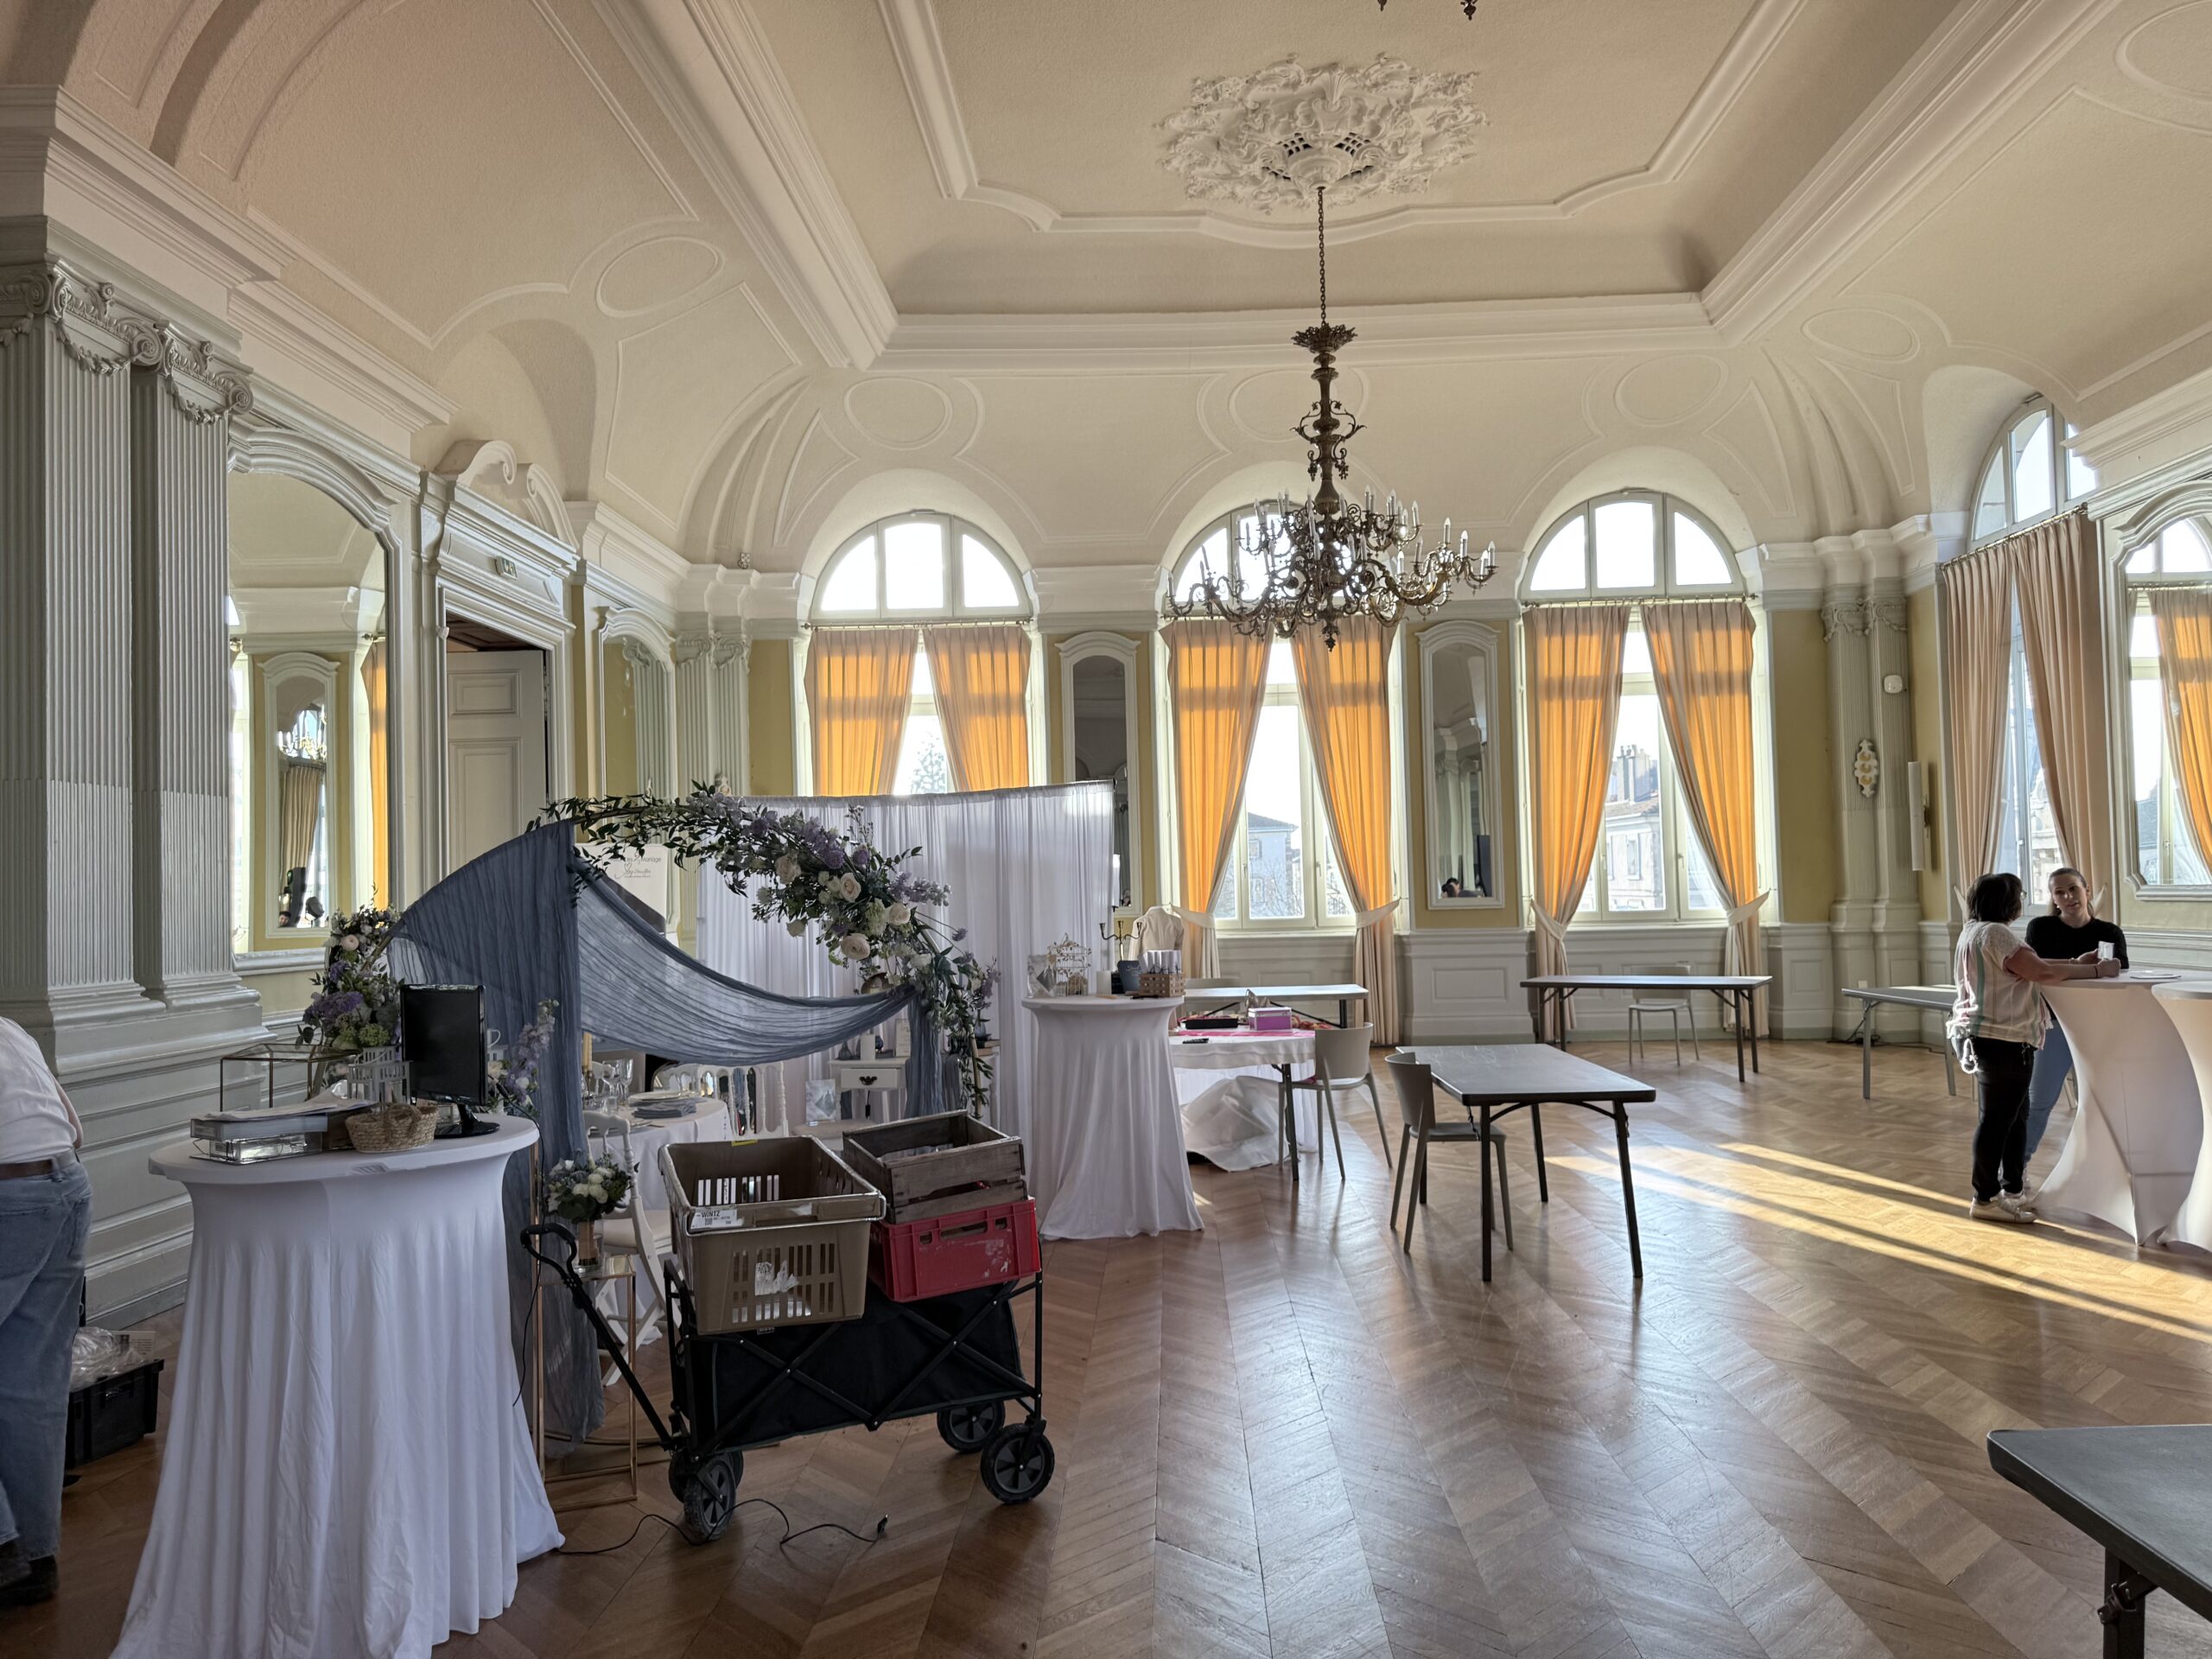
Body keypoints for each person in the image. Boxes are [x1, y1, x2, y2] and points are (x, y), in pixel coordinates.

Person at [1948, 872, 2119, 1224]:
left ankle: (2011, 1191)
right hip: (2002, 1038)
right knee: (1998, 1121)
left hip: (1994, 1036)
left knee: (2013, 1117)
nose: (2021, 901)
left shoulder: (1974, 931)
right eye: (2018, 895)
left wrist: (2076, 964)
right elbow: (2040, 973)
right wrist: (2097, 972)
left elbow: (2030, 967)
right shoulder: (1995, 933)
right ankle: (1985, 1198)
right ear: (2006, 901)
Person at [0, 1016, 90, 1610]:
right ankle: (36, 1558)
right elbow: (75, 1129)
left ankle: (4, 1547)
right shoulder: (9, 1029)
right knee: (30, 1385)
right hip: (68, 1188)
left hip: (8, 1199)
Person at [2021, 866, 2127, 1164]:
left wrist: (2085, 970)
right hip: (2054, 1024)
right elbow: (2038, 970)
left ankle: (2098, 1166)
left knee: (2098, 1102)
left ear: (2086, 891)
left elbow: (2118, 972)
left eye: (2073, 889)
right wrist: (2084, 967)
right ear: (2053, 899)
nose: (2068, 897)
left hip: (2097, 1024)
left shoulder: (2109, 932)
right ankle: (2016, 1168)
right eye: (2060, 892)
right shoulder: (2041, 927)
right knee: (2039, 1100)